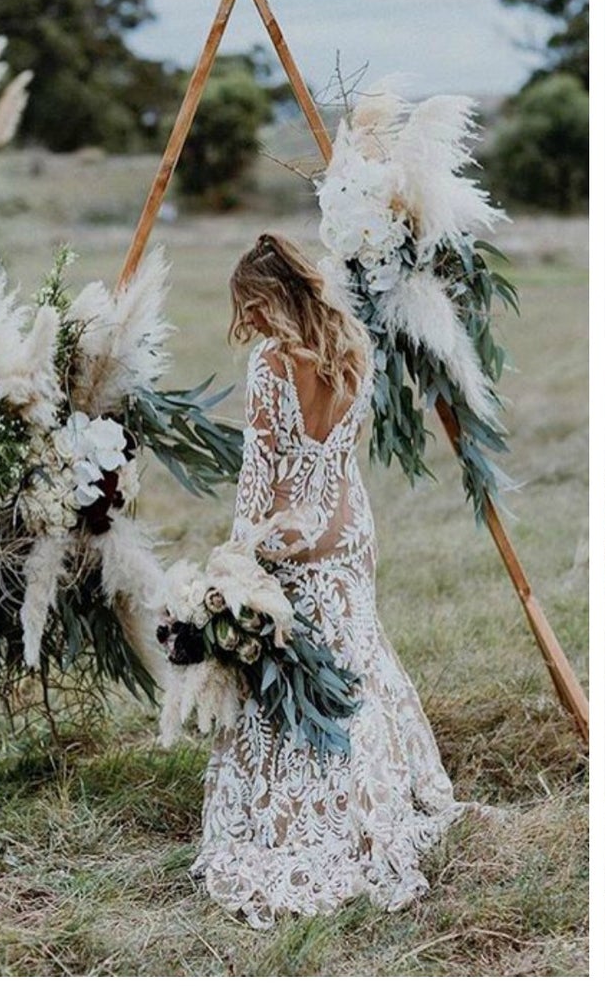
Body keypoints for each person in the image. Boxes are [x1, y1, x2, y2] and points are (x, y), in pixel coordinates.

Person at [191, 232, 483, 928]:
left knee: (291, 671)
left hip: (293, 536)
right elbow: (340, 458)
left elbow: (258, 475)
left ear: (271, 299)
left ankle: (303, 817)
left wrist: (239, 560)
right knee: (356, 658)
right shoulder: (354, 349)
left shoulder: (270, 367)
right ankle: (376, 801)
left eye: (252, 309)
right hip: (349, 530)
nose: (250, 324)